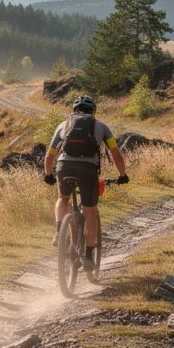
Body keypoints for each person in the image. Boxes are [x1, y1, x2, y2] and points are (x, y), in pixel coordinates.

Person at [43, 95, 129, 269]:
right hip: (88, 170)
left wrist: (48, 174)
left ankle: (59, 231)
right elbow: (115, 153)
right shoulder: (101, 127)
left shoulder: (63, 125)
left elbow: (50, 154)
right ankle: (89, 256)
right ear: (93, 111)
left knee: (62, 198)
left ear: (74, 111)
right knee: (90, 211)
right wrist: (123, 175)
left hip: (64, 166)